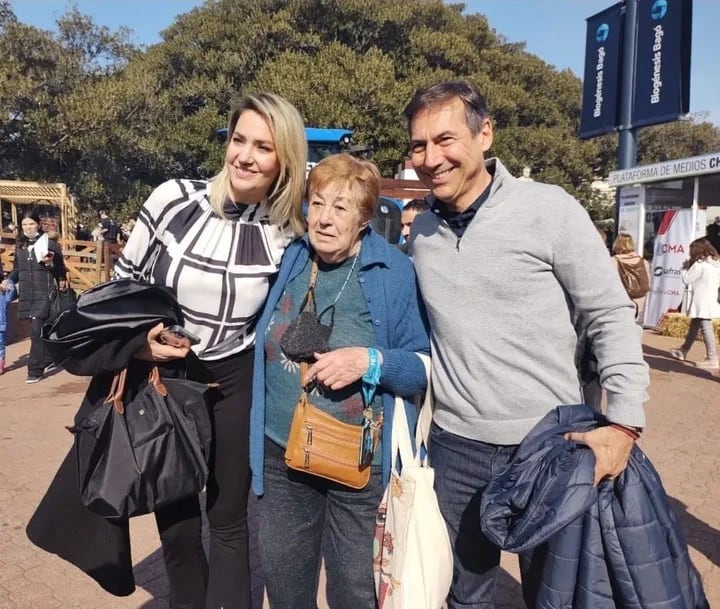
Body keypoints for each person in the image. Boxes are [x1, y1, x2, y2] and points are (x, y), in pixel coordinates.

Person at [403, 80, 649, 609]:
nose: (431, 158)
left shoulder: (549, 210)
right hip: (454, 447)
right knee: (465, 598)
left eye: (445, 139)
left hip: (549, 446)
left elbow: (610, 314)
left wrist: (624, 423)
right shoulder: (420, 232)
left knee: (557, 598)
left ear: (485, 133)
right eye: (419, 145)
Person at [114, 92, 307, 609]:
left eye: (263, 147)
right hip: (165, 381)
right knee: (177, 528)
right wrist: (138, 344)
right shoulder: (174, 199)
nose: (245, 155)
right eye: (238, 139)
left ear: (283, 159)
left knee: (227, 522)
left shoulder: (287, 234)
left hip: (234, 382)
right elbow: (120, 285)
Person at [249, 153, 430, 609]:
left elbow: (421, 367)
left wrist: (369, 362)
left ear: (365, 218)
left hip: (357, 465)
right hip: (282, 455)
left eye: (341, 207)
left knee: (354, 592)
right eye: (318, 203)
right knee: (286, 587)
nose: (324, 219)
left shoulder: (394, 272)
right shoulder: (292, 257)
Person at [1, 210, 66, 383]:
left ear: (38, 224)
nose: (28, 227)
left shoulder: (49, 244)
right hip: (28, 293)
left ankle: (35, 369)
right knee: (41, 330)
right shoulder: (20, 245)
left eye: (31, 224)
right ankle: (49, 358)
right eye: (24, 224)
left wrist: (50, 263)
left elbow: (61, 271)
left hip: (45, 292)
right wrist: (9, 279)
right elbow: (17, 268)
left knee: (36, 331)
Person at [669, 237, 720, 370]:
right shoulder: (716, 265)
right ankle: (684, 350)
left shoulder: (699, 265)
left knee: (706, 328)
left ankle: (712, 358)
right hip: (710, 299)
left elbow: (686, 279)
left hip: (701, 300)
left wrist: (685, 268)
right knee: (695, 325)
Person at [610, 232, 651, 322]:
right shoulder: (643, 262)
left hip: (621, 300)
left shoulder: (613, 261)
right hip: (640, 300)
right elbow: (648, 281)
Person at [0, 262, 17, 375]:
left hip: (0, 320)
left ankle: (0, 365)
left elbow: (10, 297)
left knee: (0, 343)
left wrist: (4, 289)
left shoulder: (6, 283)